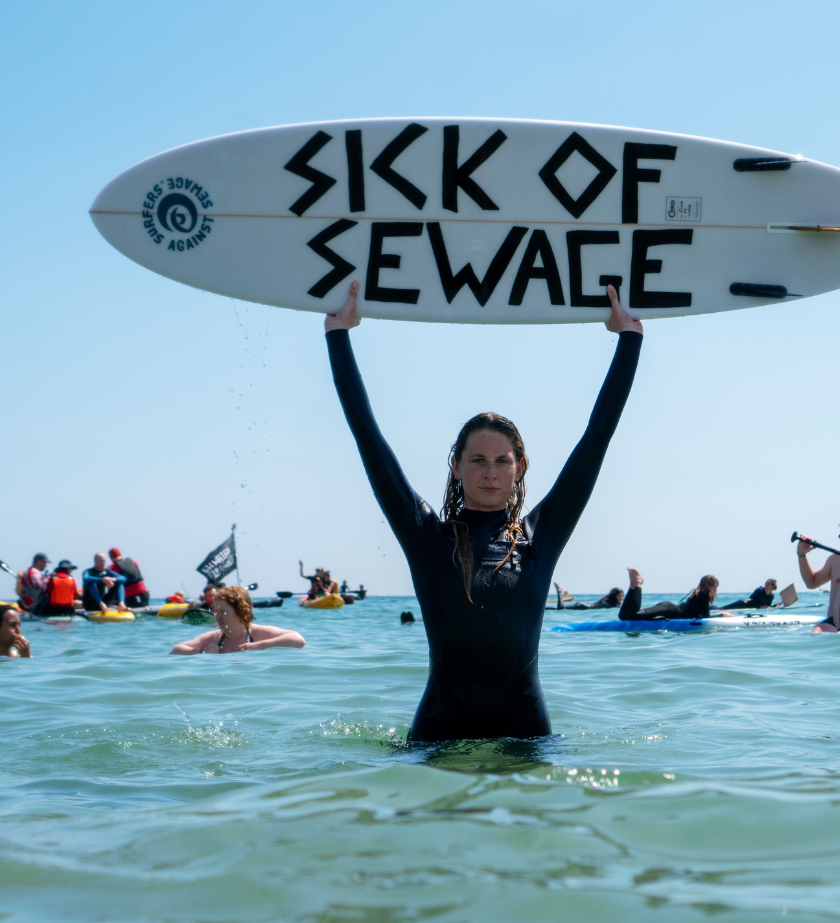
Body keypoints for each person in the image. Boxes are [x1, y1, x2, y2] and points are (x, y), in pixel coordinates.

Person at [325, 279, 642, 742]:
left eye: (501, 461)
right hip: (439, 725)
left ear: (519, 469)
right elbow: (367, 437)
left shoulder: (539, 539)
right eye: (477, 460)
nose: (489, 473)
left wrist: (628, 339)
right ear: (456, 466)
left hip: (525, 729)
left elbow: (598, 436)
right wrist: (339, 335)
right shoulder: (427, 536)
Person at [170, 585, 306, 654]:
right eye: (216, 611)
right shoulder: (214, 638)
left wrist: (260, 645)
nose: (218, 616)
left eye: (224, 612)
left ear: (241, 613)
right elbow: (175, 650)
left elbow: (298, 640)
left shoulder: (257, 634)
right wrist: (201, 651)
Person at [618, 569, 735, 621]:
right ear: (706, 586)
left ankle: (633, 587)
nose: (715, 589)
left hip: (669, 608)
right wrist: (722, 615)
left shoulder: (699, 593)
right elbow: (705, 618)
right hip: (670, 610)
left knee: (624, 616)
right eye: (713, 586)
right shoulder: (704, 594)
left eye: (716, 586)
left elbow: (702, 614)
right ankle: (638, 584)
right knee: (633, 616)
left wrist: (718, 613)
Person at [549, 582, 623, 610]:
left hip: (583, 605)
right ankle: (559, 591)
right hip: (584, 606)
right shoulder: (609, 602)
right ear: (614, 596)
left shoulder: (606, 600)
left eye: (622, 596)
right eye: (620, 596)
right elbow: (618, 606)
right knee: (561, 608)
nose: (621, 598)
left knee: (558, 608)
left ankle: (543, 608)